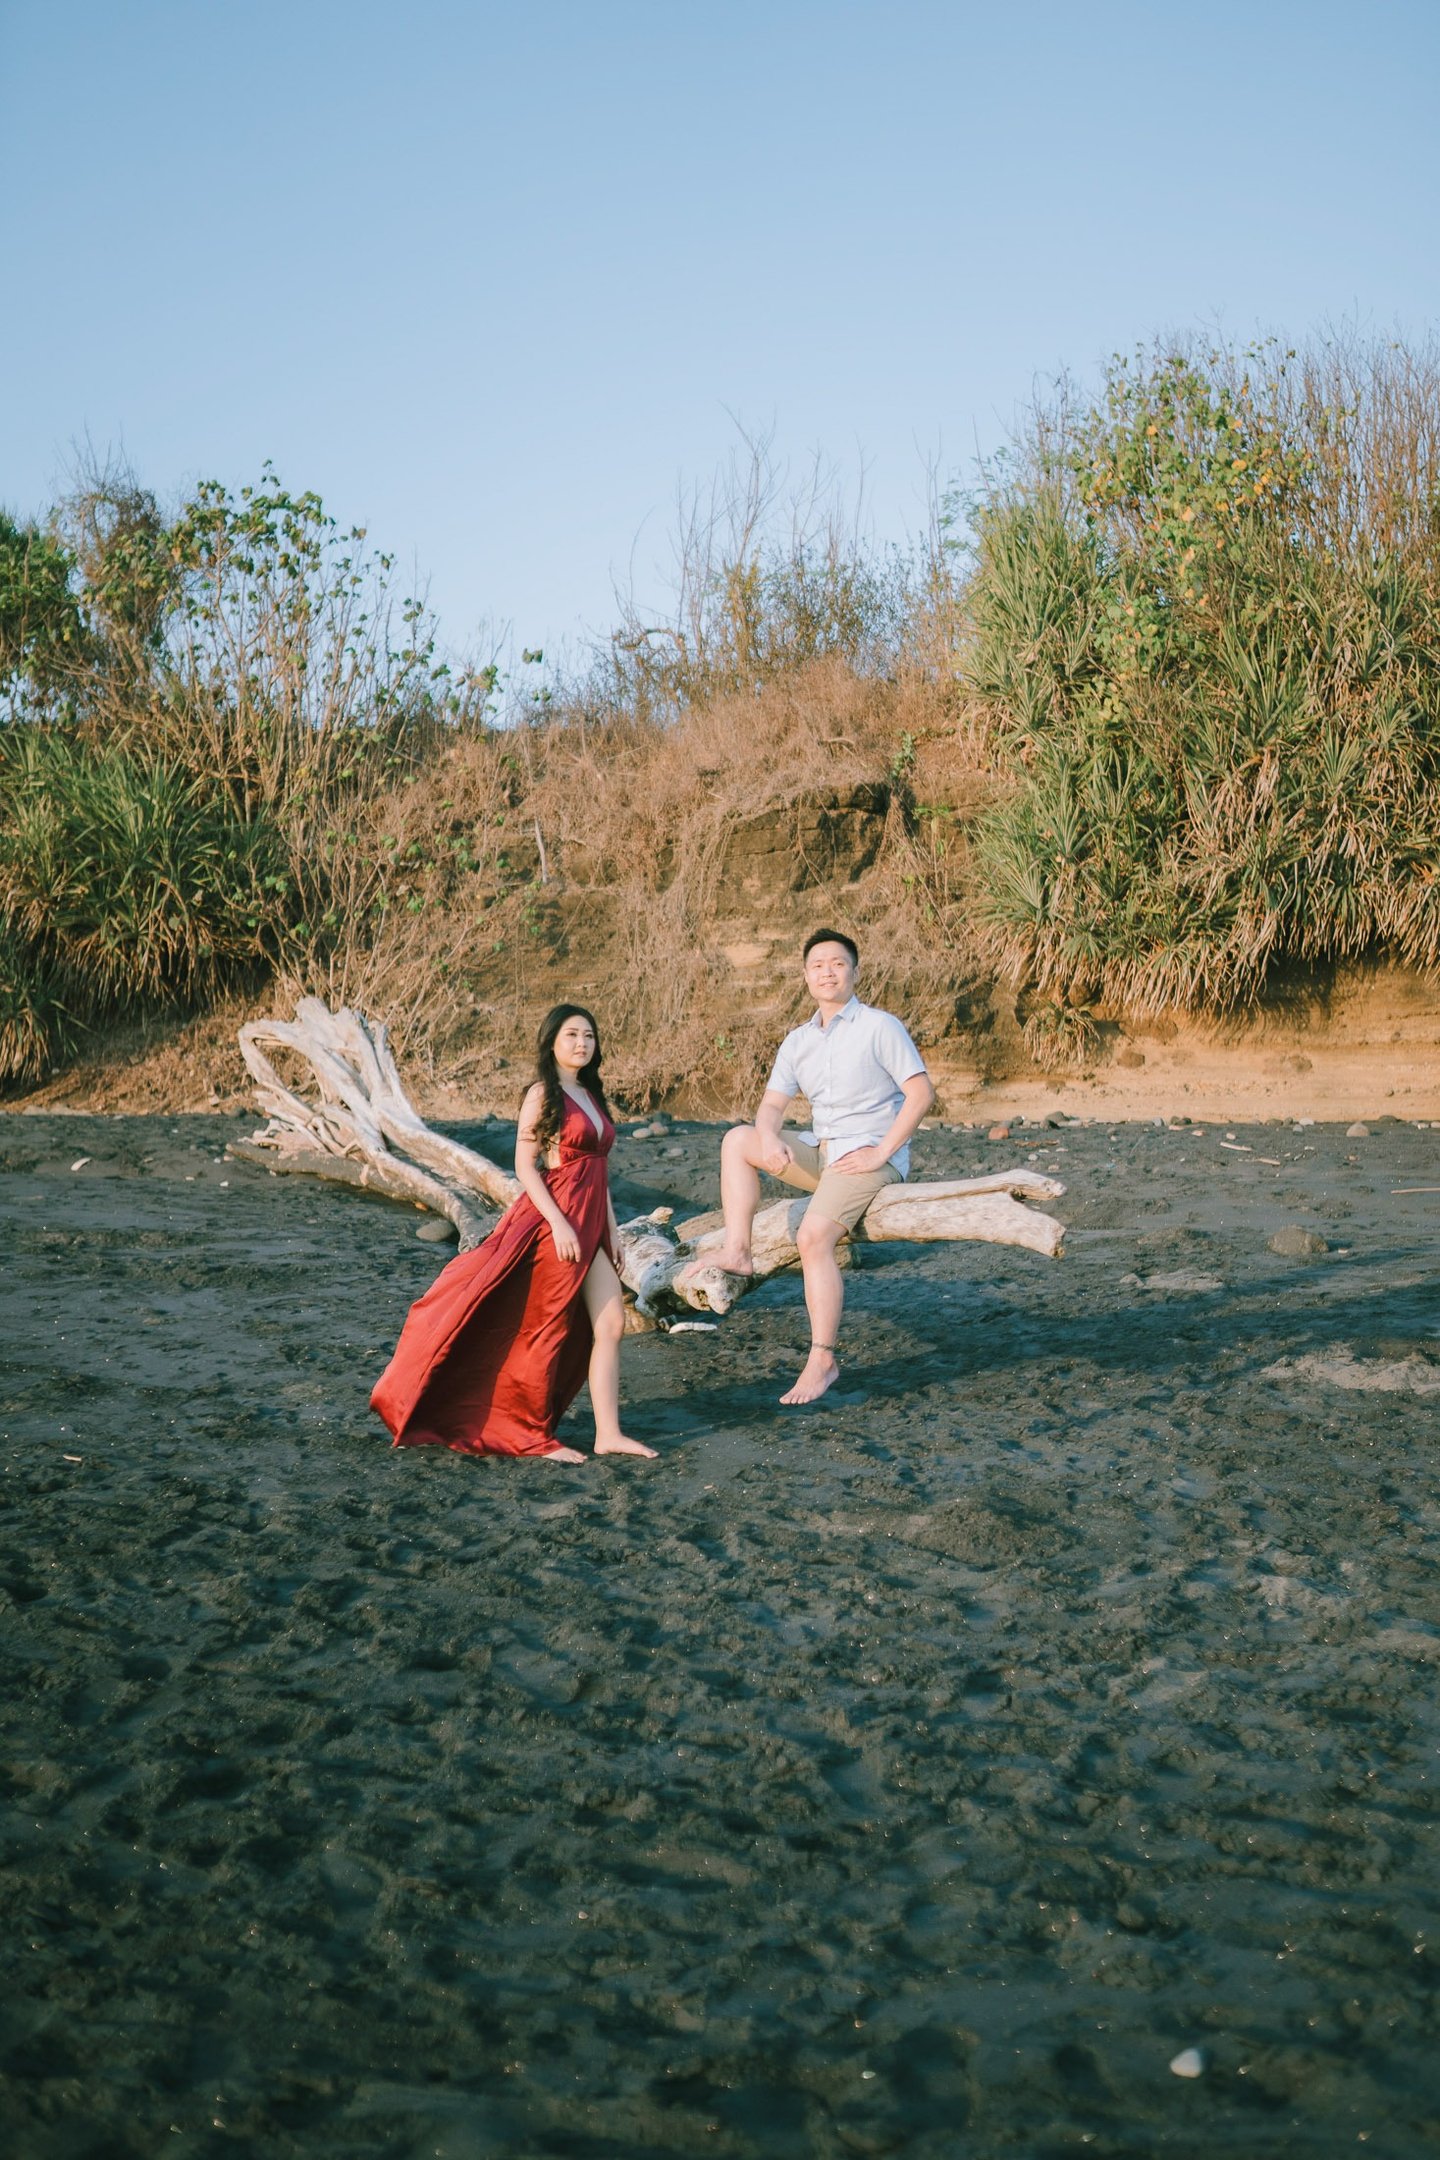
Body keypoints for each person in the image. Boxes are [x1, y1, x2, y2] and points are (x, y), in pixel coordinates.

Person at [371, 1004, 656, 1462]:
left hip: (591, 1223)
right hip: (556, 1223)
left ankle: (608, 1433)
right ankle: (532, 1434)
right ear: (551, 1041)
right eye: (572, 1035)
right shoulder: (542, 1094)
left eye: (589, 1036)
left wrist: (613, 1231)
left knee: (611, 1324)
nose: (582, 1043)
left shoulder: (589, 1093)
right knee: (544, 1329)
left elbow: (598, 1168)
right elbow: (526, 1165)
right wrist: (560, 1224)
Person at [696, 930, 934, 1405]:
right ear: (806, 976)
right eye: (818, 965)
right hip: (823, 1154)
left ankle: (823, 1358)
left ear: (855, 972)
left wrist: (882, 1152)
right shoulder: (799, 1041)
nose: (828, 971)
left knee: (811, 1236)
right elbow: (770, 1107)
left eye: (838, 963)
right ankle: (738, 1251)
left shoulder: (880, 1026)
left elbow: (921, 1094)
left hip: (868, 1158)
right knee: (738, 1139)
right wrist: (767, 1136)